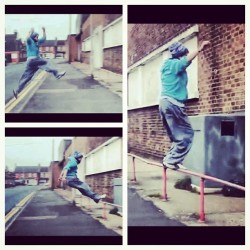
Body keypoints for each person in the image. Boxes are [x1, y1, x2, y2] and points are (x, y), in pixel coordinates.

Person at [159, 40, 210, 170]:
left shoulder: (167, 65)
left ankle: (172, 159)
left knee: (176, 136)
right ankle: (171, 160)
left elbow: (184, 62)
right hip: (173, 104)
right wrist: (199, 48)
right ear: (180, 54)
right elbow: (184, 61)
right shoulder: (174, 64)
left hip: (165, 103)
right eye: (184, 55)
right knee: (187, 134)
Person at [13, 27, 66, 99]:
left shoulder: (37, 42)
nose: (37, 38)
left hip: (31, 63)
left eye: (37, 37)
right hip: (33, 59)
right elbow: (27, 38)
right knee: (45, 62)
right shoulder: (30, 41)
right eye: (36, 37)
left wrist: (44, 30)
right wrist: (30, 32)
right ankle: (56, 74)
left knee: (26, 77)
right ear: (33, 37)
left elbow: (44, 38)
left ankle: (17, 91)